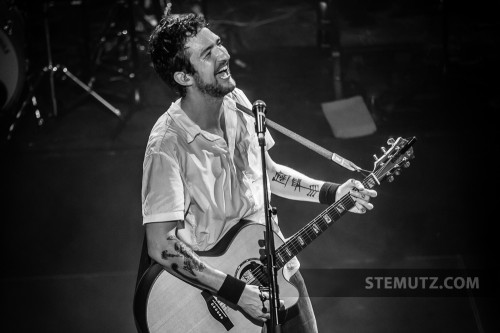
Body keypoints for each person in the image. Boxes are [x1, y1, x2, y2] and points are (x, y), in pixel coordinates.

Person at [141, 8, 377, 333]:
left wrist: (334, 192)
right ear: (184, 77)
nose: (224, 54)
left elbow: (271, 175)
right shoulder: (167, 144)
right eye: (209, 54)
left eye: (219, 43)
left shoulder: (236, 100)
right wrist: (236, 292)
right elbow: (161, 244)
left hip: (279, 267)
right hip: (220, 299)